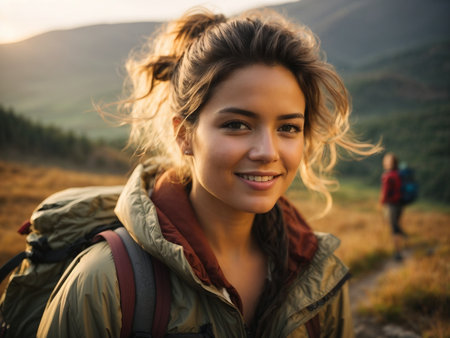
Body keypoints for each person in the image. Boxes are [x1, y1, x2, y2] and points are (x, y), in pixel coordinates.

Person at [37, 8, 380, 337]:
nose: (268, 151)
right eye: (237, 125)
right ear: (184, 134)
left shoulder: (316, 274)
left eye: (288, 128)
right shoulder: (106, 282)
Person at [380, 152, 405, 261]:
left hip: (392, 205)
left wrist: (382, 203)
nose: (385, 162)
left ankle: (398, 253)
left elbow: (384, 194)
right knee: (396, 226)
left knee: (394, 229)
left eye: (387, 160)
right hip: (400, 204)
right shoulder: (398, 173)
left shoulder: (387, 176)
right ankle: (403, 244)